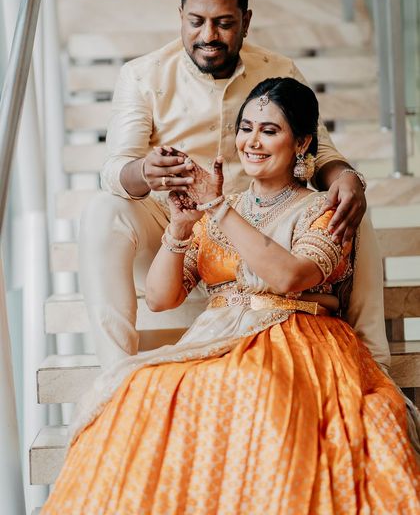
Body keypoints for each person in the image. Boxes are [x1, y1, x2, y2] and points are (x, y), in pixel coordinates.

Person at [42, 77, 419, 514]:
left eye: (269, 130)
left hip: (297, 337)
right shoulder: (222, 207)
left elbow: (290, 278)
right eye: (246, 128)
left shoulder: (322, 208)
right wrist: (180, 229)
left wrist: (218, 207)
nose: (252, 141)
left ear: (302, 142)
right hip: (220, 338)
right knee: (143, 386)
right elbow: (163, 298)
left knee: (256, 386)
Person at [79, 0, 390, 374]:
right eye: (196, 21)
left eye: (224, 23)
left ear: (245, 20)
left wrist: (348, 178)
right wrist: (144, 172)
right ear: (181, 16)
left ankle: (373, 359)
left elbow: (321, 153)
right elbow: (115, 169)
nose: (208, 35)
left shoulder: (280, 71)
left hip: (271, 219)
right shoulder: (142, 75)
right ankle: (115, 375)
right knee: (103, 209)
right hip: (180, 224)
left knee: (350, 204)